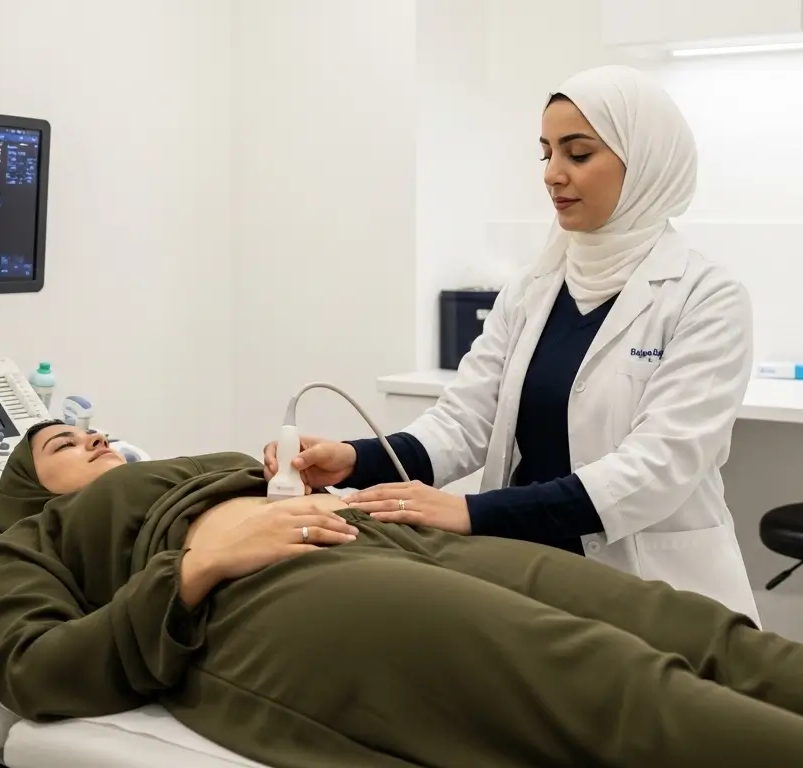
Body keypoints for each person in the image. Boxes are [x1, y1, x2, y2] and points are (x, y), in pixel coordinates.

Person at [0, 422, 803, 768]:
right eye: (68, 438)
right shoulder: (36, 539)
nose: (99, 436)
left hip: (372, 546)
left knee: (700, 638)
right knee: (618, 699)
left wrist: (309, 477)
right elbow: (28, 668)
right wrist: (199, 561)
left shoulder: (177, 463)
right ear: (31, 485)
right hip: (261, 612)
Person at [267, 64, 761, 623]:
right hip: (528, 577)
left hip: (649, 593)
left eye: (578, 154)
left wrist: (471, 512)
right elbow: (463, 424)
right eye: (546, 153)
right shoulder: (534, 290)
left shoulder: (705, 296)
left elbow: (656, 469)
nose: (552, 174)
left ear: (645, 163)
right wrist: (356, 459)